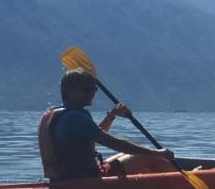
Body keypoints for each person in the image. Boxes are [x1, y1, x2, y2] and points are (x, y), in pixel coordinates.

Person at [38, 69, 174, 182]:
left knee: (131, 155)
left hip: (61, 180)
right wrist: (157, 152)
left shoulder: (55, 114)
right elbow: (116, 144)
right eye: (86, 89)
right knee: (150, 156)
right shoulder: (76, 117)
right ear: (69, 91)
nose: (92, 93)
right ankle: (181, 186)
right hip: (85, 181)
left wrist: (111, 116)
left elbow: (91, 137)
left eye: (94, 89)